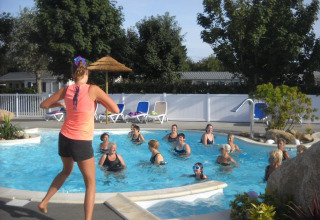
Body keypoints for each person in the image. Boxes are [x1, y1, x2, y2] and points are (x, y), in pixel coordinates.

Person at [38, 56, 119, 220]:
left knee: (66, 171)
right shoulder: (93, 89)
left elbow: (44, 105)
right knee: (90, 183)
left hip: (64, 138)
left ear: (73, 74)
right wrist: (98, 102)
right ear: (86, 72)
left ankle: (44, 202)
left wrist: (61, 105)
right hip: (81, 141)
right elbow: (115, 109)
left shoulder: (66, 90)